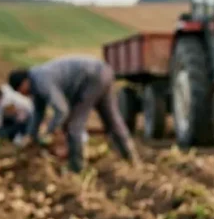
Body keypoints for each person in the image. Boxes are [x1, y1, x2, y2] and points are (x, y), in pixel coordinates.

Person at [8, 56, 137, 172]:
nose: (22, 95)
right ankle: (131, 159)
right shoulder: (36, 80)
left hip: (91, 79)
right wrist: (31, 135)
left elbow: (61, 110)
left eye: (20, 91)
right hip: (103, 71)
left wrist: (49, 131)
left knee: (73, 126)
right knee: (112, 120)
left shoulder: (41, 81)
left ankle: (77, 168)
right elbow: (38, 112)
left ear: (24, 83)